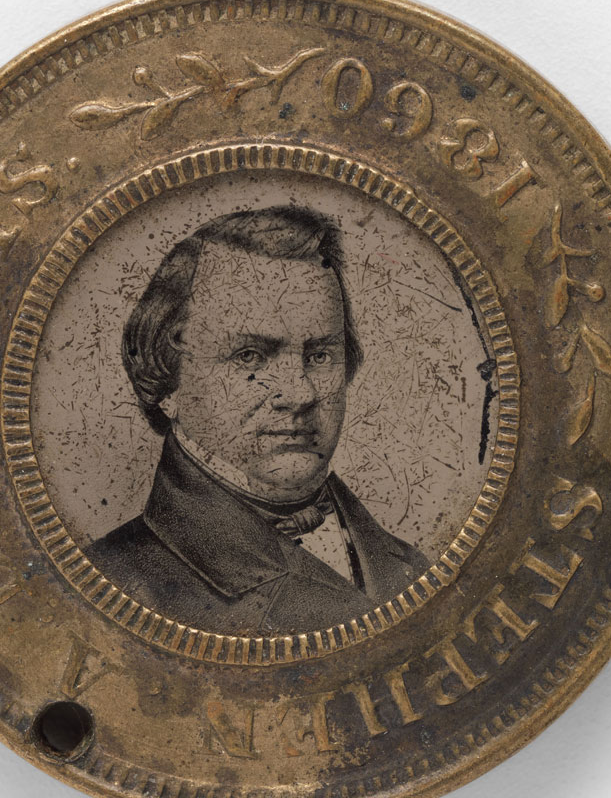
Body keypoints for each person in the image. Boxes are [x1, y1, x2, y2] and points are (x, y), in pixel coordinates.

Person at [83, 205, 428, 635]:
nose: (300, 394)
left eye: (320, 356)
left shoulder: (412, 568)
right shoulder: (112, 586)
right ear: (167, 379)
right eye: (251, 356)